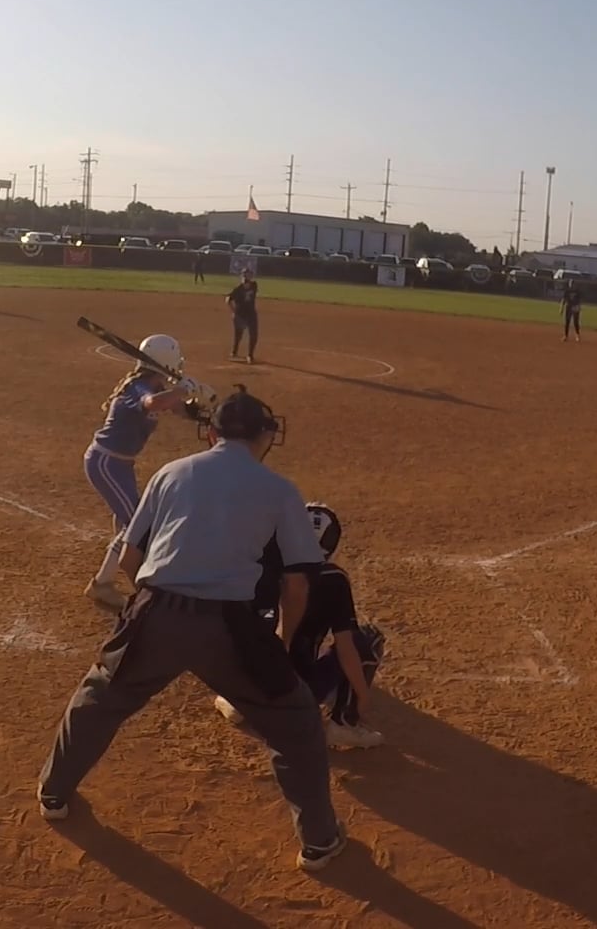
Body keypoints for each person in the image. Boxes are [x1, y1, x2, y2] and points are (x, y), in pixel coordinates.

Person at [37, 386, 347, 872]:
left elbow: (130, 557)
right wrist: (281, 645)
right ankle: (319, 841)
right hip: (231, 626)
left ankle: (54, 792)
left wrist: (150, 607)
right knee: (296, 722)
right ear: (265, 436)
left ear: (210, 433)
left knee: (98, 698)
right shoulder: (280, 490)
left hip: (157, 611)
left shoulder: (170, 472)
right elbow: (296, 584)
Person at [218, 502, 386, 750]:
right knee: (369, 639)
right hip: (292, 691)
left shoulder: (259, 568)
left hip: (249, 679)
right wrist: (363, 696)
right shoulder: (333, 579)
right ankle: (344, 724)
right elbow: (346, 647)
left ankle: (236, 700)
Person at [81, 335, 210, 607]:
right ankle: (102, 585)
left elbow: (178, 409)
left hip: (121, 465)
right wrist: (182, 388)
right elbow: (153, 403)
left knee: (128, 521)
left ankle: (108, 576)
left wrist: (202, 409)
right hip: (106, 463)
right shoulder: (138, 387)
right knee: (135, 526)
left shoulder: (157, 386)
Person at [228, 268, 260, 364]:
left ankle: (250, 355)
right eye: (246, 275)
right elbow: (228, 299)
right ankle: (234, 351)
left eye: (249, 275)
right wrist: (234, 311)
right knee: (238, 335)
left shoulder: (254, 285)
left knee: (253, 334)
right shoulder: (238, 289)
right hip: (240, 315)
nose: (248, 276)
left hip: (251, 314)